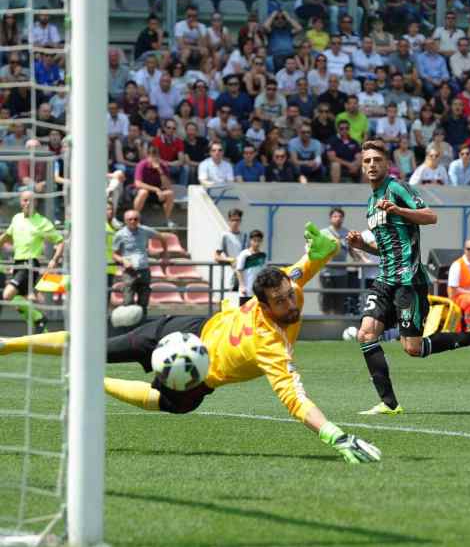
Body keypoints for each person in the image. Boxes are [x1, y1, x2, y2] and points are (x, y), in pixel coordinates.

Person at [0, 225, 382, 464]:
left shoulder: (286, 284)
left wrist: (326, 249)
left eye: (289, 296)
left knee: (103, 350)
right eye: (280, 301)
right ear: (263, 304)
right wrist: (336, 435)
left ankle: (27, 352)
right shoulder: (272, 345)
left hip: (189, 332)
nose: (290, 303)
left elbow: (304, 266)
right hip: (196, 359)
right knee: (158, 395)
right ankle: (17, 347)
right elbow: (296, 399)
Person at [347, 140, 470, 415]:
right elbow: (386, 247)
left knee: (413, 348)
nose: (371, 165)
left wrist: (399, 210)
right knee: (366, 334)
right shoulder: (372, 202)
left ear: (387, 164)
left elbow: (430, 217)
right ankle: (389, 404)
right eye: (367, 161)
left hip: (409, 279)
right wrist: (363, 246)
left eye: (377, 160)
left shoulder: (398, 188)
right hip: (385, 278)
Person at [0, 191, 64, 332]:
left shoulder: (42, 222)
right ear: (21, 202)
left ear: (35, 202)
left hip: (29, 264)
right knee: (19, 302)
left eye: (31, 200)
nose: (28, 203)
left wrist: (54, 260)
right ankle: (42, 329)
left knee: (7, 295)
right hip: (17, 264)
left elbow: (60, 241)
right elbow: (6, 236)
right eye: (25, 200)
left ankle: (40, 319)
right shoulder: (16, 218)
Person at [112, 210, 168, 317]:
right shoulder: (119, 235)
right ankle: (129, 326)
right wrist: (123, 260)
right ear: (125, 221)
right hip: (129, 271)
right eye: (130, 219)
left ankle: (142, 325)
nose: (133, 221)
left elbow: (162, 238)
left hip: (144, 269)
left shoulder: (145, 230)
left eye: (136, 219)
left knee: (143, 302)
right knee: (128, 302)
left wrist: (165, 255)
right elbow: (114, 254)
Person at [320, 207, 354, 315]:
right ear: (330, 218)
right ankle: (326, 320)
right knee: (327, 298)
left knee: (340, 299)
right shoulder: (323, 233)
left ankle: (338, 321)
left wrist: (360, 261)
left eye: (340, 216)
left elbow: (352, 251)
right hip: (327, 272)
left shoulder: (347, 233)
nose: (338, 219)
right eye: (335, 216)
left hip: (342, 273)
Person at [133, 145, 176, 228]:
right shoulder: (142, 164)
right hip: (142, 192)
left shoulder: (163, 166)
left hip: (158, 194)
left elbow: (167, 186)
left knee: (170, 193)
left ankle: (167, 220)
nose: (154, 158)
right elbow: (138, 183)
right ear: (147, 156)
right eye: (151, 155)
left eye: (156, 155)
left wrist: (160, 171)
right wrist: (156, 189)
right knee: (143, 192)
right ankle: (135, 217)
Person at [214, 208, 248, 293]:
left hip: (244, 275)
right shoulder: (225, 236)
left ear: (240, 221)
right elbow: (216, 257)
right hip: (231, 274)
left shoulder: (244, 236)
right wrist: (230, 259)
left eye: (237, 220)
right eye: (233, 220)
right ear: (229, 221)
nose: (235, 222)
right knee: (231, 300)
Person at [235, 230, 267, 306]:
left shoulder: (262, 255)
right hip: (246, 291)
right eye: (254, 240)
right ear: (250, 241)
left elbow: (263, 272)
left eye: (259, 241)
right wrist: (242, 286)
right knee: (244, 314)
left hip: (257, 291)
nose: (256, 243)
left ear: (261, 241)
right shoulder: (244, 254)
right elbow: (239, 270)